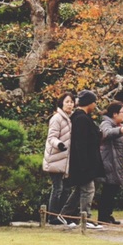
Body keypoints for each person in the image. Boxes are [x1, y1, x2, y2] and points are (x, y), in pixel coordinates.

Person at [61, 92, 104, 224]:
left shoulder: (81, 117)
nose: (95, 105)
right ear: (89, 103)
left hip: (84, 161)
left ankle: (65, 214)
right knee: (88, 190)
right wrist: (84, 164)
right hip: (83, 163)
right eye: (94, 102)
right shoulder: (81, 119)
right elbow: (80, 143)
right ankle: (86, 218)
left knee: (81, 189)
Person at [97, 101, 123, 226]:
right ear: (115, 113)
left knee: (113, 189)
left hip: (118, 162)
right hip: (110, 162)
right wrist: (120, 130)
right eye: (122, 112)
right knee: (108, 190)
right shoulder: (106, 123)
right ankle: (103, 216)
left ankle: (108, 215)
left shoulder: (119, 125)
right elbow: (106, 133)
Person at [42, 93, 75, 221]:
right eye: (67, 101)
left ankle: (62, 216)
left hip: (66, 160)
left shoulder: (70, 118)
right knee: (58, 189)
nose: (70, 104)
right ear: (61, 103)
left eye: (71, 102)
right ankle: (52, 217)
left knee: (66, 189)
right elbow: (51, 138)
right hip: (55, 158)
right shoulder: (57, 118)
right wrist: (59, 144)